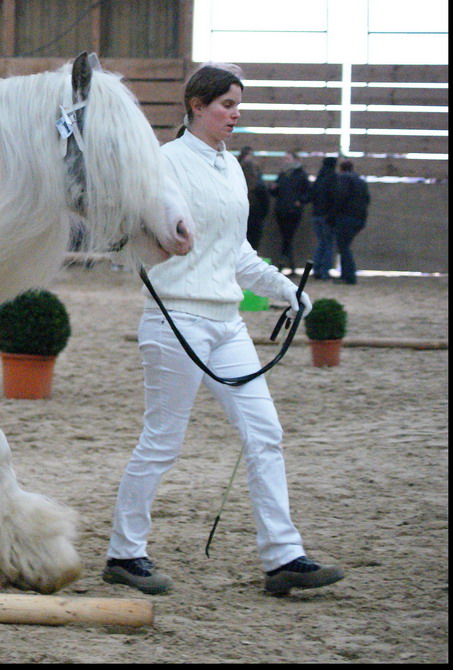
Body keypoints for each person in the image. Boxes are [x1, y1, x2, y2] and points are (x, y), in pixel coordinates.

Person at [102, 63, 345, 596]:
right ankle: (125, 552)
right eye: (226, 105)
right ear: (196, 106)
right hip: (176, 319)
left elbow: (236, 250)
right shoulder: (164, 164)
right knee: (163, 442)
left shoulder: (230, 168)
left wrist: (285, 289)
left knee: (265, 434)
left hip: (226, 321)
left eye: (238, 105)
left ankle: (283, 557)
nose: (235, 114)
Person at [271, 150, 311, 273]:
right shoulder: (283, 174)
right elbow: (275, 192)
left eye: (288, 159)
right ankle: (290, 265)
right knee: (287, 237)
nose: (285, 161)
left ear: (295, 160)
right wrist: (273, 188)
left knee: (287, 237)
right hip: (282, 210)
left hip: (293, 211)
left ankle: (284, 263)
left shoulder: (301, 175)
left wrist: (300, 201)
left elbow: (308, 192)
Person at [332, 159, 370, 284]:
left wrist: (334, 214)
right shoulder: (361, 181)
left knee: (343, 247)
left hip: (346, 217)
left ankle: (348, 276)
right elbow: (367, 199)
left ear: (341, 169)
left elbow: (340, 197)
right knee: (345, 246)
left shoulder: (343, 179)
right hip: (359, 218)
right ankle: (347, 275)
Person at [309, 157, 339, 280]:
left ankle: (316, 269)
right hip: (327, 217)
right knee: (329, 244)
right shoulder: (333, 179)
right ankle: (325, 271)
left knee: (321, 243)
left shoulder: (319, 178)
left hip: (316, 215)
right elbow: (334, 198)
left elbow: (312, 195)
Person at [238, 146, 270, 249]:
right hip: (255, 217)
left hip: (238, 216)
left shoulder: (235, 179)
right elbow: (265, 203)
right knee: (252, 247)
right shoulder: (258, 184)